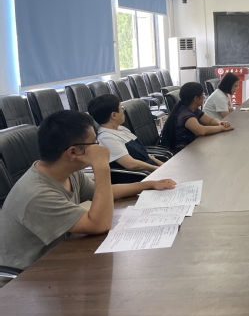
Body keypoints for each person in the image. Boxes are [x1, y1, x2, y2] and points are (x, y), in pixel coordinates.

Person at [0, 110, 176, 271]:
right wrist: (101, 166)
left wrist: (149, 184)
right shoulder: (37, 194)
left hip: (60, 255)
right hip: (28, 276)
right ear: (74, 152)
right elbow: (100, 224)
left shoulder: (68, 173)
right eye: (94, 143)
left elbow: (106, 192)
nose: (99, 147)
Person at [88, 94, 164, 172]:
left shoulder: (121, 129)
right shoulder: (106, 138)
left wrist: (163, 165)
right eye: (121, 108)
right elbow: (131, 164)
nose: (123, 111)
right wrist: (159, 170)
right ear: (114, 115)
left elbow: (145, 155)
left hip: (150, 169)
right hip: (139, 175)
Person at [160, 82, 234, 152]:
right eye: (202, 95)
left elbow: (210, 121)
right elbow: (201, 131)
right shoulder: (185, 114)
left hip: (192, 147)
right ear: (196, 99)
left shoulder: (193, 109)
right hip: (182, 153)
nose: (204, 97)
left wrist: (220, 122)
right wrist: (221, 128)